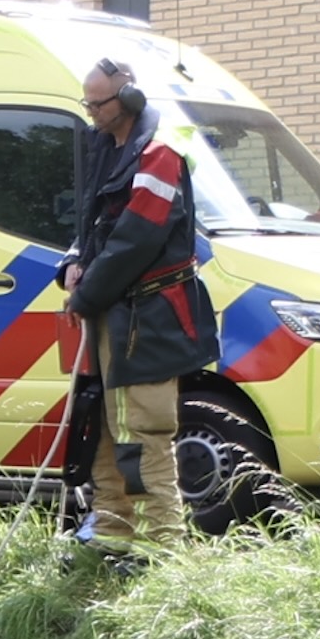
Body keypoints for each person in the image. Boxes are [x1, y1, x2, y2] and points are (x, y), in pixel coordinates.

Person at [55, 60, 217, 556]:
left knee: (143, 432)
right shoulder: (106, 148)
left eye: (97, 103)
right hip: (116, 312)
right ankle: (113, 533)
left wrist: (85, 295)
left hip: (149, 316)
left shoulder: (160, 151)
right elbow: (93, 225)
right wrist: (73, 264)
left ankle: (159, 547)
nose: (91, 113)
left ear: (128, 100)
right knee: (105, 429)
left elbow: (137, 238)